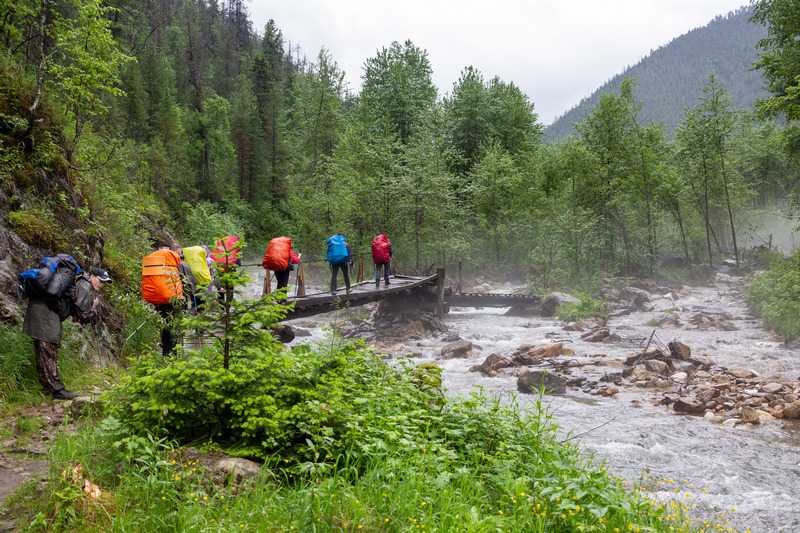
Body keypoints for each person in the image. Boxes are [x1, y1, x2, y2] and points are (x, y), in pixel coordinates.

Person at [23, 266, 111, 400]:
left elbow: (74, 308)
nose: (102, 284)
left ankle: (48, 388)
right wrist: (94, 307)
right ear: (92, 276)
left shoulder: (79, 281)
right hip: (45, 314)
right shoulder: (85, 286)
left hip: (40, 309)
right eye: (101, 280)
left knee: (43, 351)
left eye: (104, 282)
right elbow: (83, 315)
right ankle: (57, 390)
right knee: (49, 351)